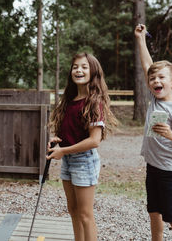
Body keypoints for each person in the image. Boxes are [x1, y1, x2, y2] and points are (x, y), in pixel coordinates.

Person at [134, 24, 172, 241]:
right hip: (153, 168)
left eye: (161, 77)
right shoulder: (154, 99)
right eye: (152, 79)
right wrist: (141, 39)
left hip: (171, 173)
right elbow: (147, 65)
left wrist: (170, 134)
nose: (156, 81)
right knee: (154, 214)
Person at [47, 53, 117, 241]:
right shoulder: (70, 100)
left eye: (84, 67)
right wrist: (57, 141)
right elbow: (70, 132)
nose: (79, 70)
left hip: (84, 161)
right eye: (75, 67)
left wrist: (63, 151)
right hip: (69, 159)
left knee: (85, 214)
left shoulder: (94, 102)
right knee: (73, 210)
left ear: (93, 71)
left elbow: (94, 140)